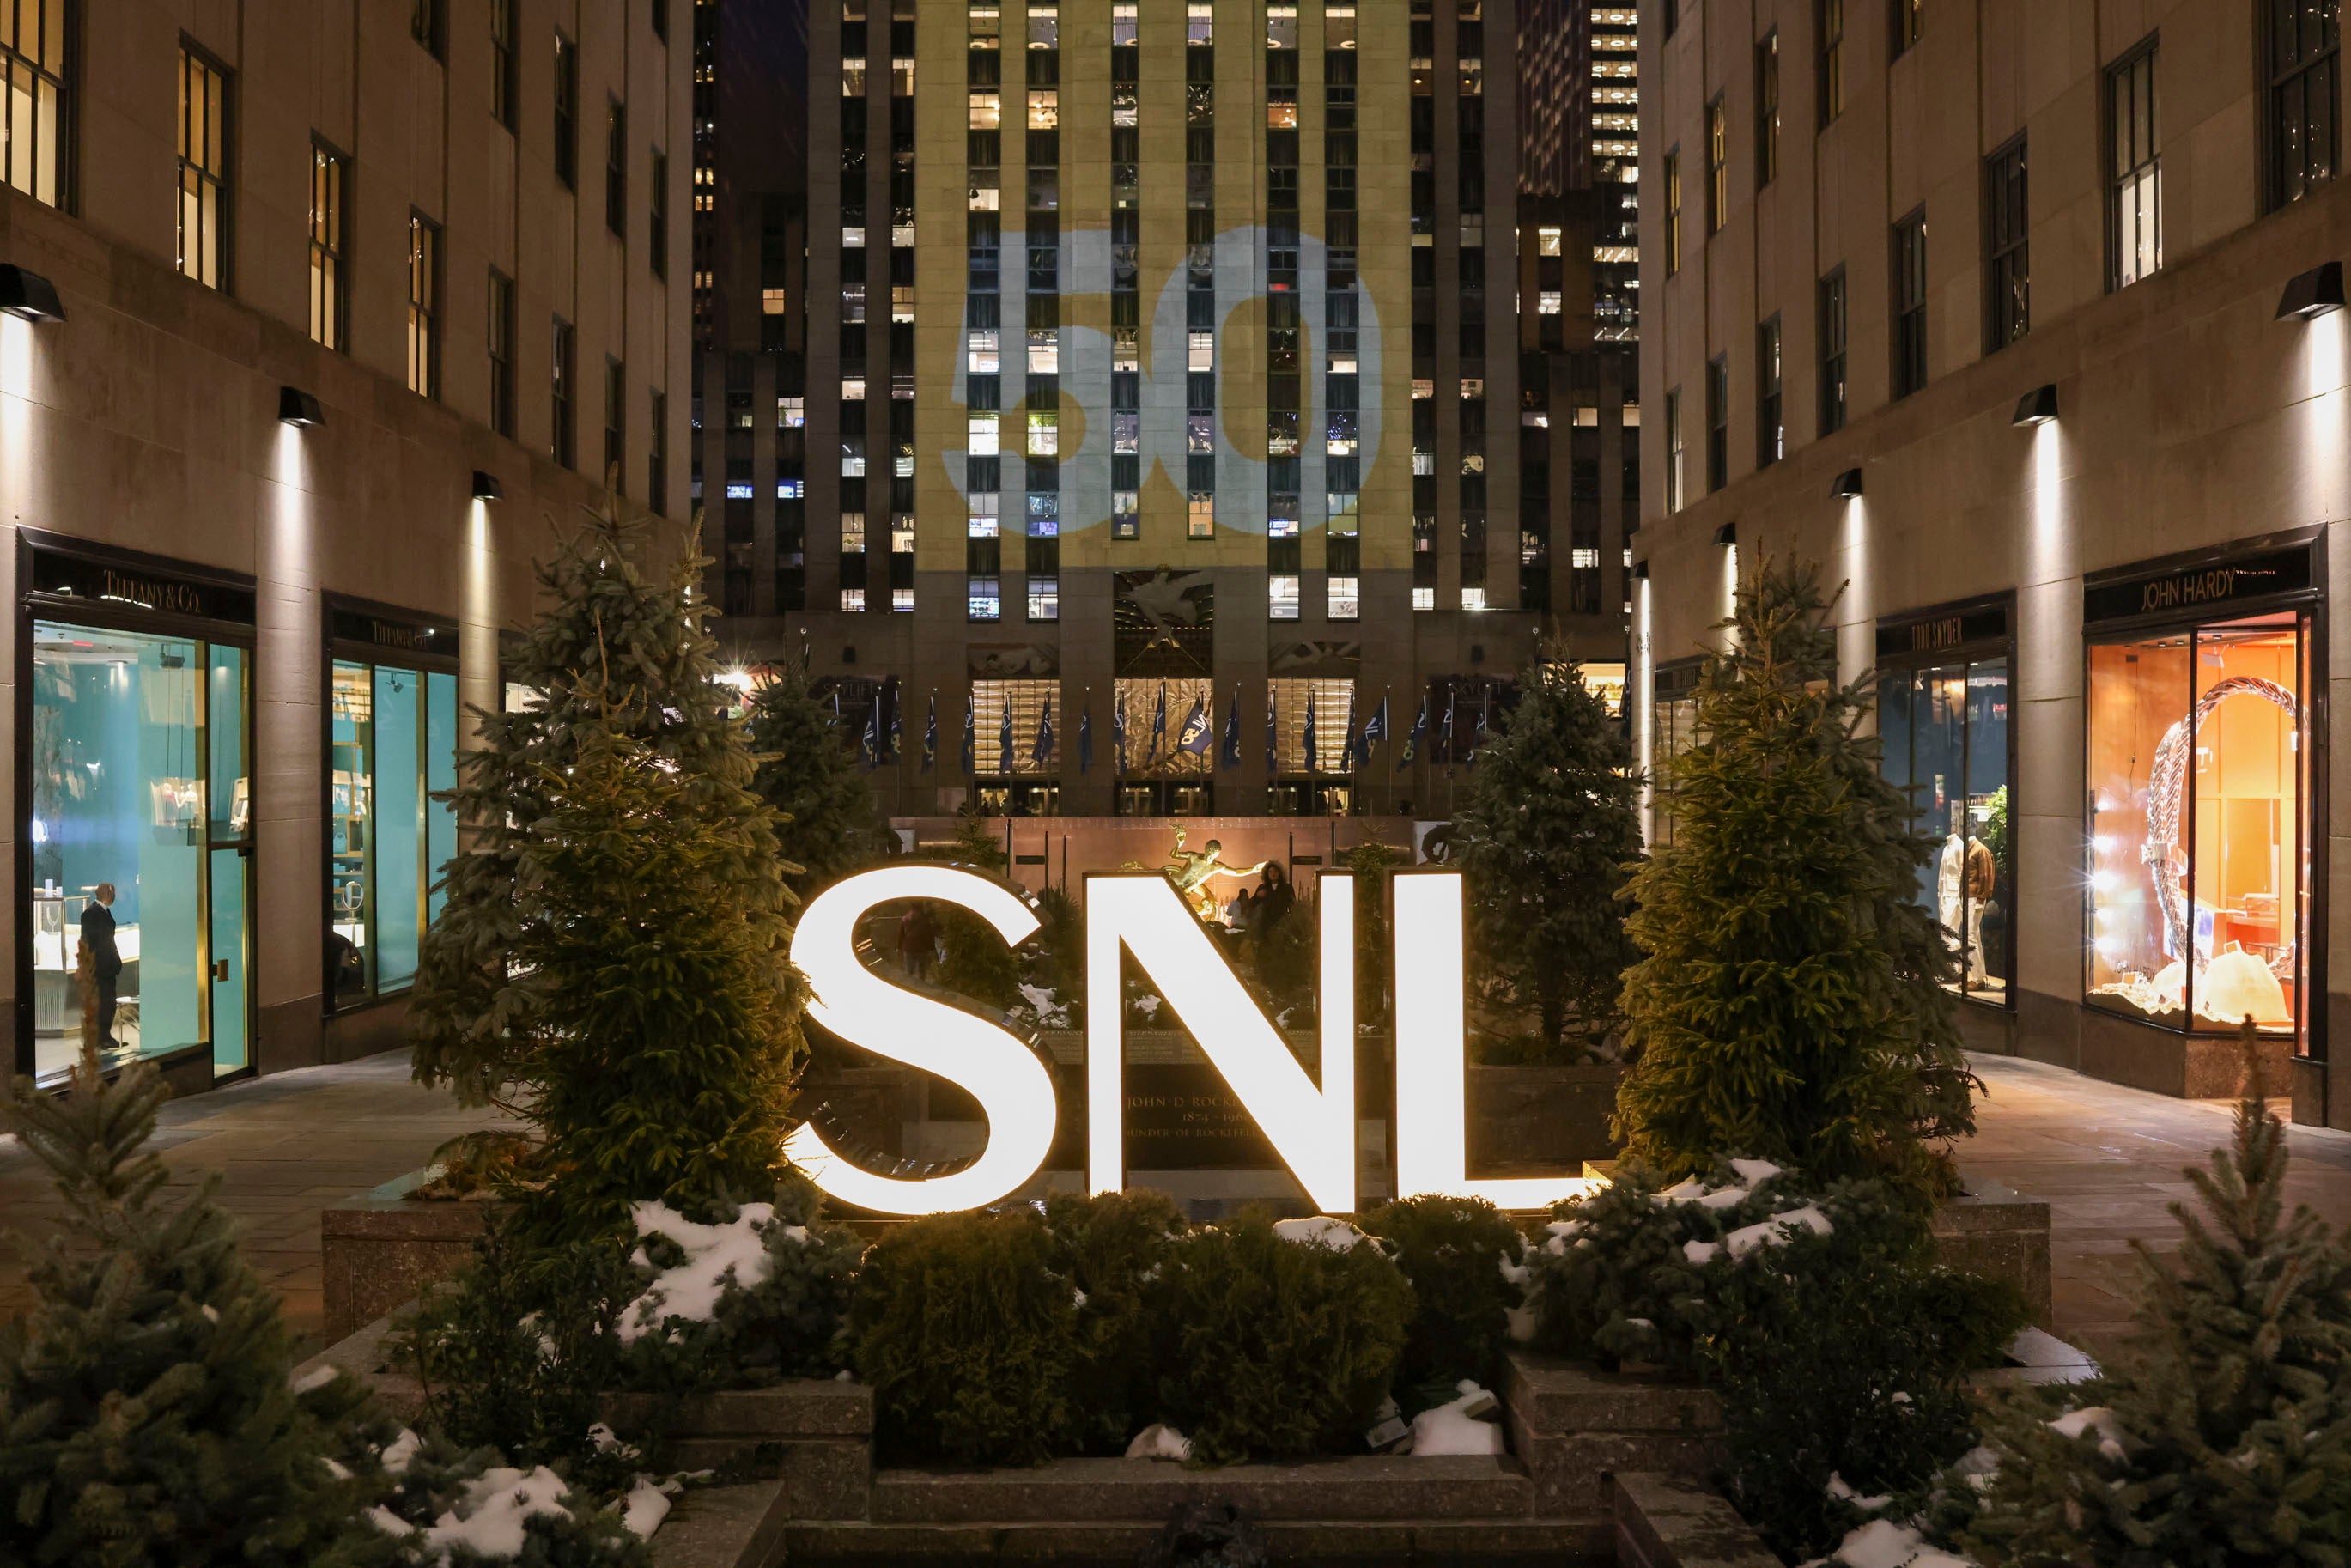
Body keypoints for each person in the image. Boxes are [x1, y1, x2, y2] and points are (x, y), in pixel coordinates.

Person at [83, 883, 123, 1045]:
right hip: (100, 967)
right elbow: (91, 942)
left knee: (108, 1002)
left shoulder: (103, 912)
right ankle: (99, 1038)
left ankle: (105, 1036)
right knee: (102, 1002)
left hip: (107, 966)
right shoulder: (92, 914)